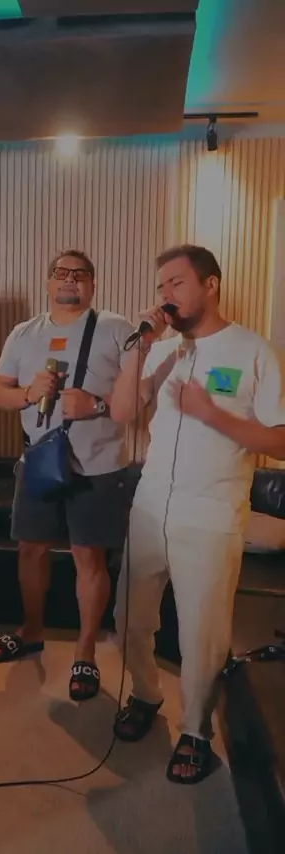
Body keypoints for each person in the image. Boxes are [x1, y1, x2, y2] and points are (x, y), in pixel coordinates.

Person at [110, 244, 285, 783]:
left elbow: (280, 440)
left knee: (202, 637)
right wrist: (141, 347)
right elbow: (120, 411)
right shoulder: (163, 351)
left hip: (211, 515)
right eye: (161, 286)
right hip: (149, 508)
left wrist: (213, 414)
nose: (166, 295)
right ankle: (145, 693)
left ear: (211, 285)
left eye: (177, 283)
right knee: (129, 619)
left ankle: (196, 732)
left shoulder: (252, 350)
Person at [0, 249, 134, 701]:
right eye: (61, 272)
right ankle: (31, 630)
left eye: (80, 274)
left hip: (99, 465)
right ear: (49, 282)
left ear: (93, 284)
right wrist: (28, 393)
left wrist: (98, 404)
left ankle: (85, 650)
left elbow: (139, 396)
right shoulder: (24, 332)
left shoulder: (116, 328)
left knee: (89, 557)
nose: (70, 279)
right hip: (40, 460)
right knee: (31, 550)